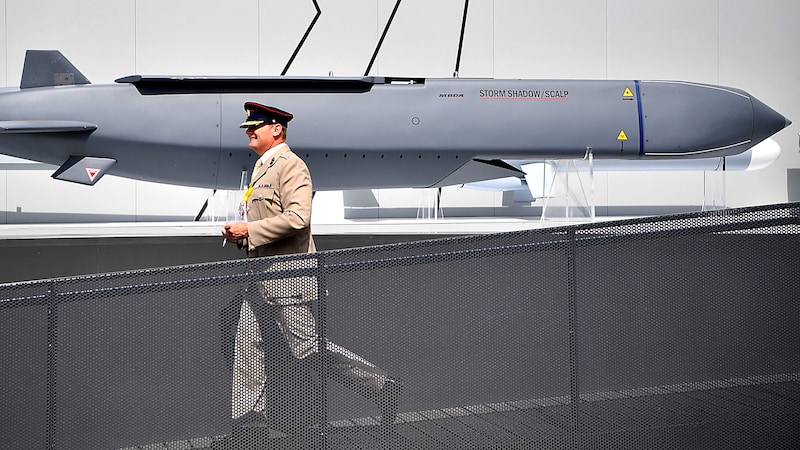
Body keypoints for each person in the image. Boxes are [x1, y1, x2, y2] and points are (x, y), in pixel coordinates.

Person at [222, 102, 401, 434]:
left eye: (255, 126)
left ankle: (381, 386)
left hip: (286, 277)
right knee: (247, 346)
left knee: (307, 347)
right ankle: (251, 425)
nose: (249, 131)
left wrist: (251, 231)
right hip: (258, 278)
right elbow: (266, 223)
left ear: (277, 129)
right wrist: (242, 238)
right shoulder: (261, 168)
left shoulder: (291, 166)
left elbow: (298, 218)